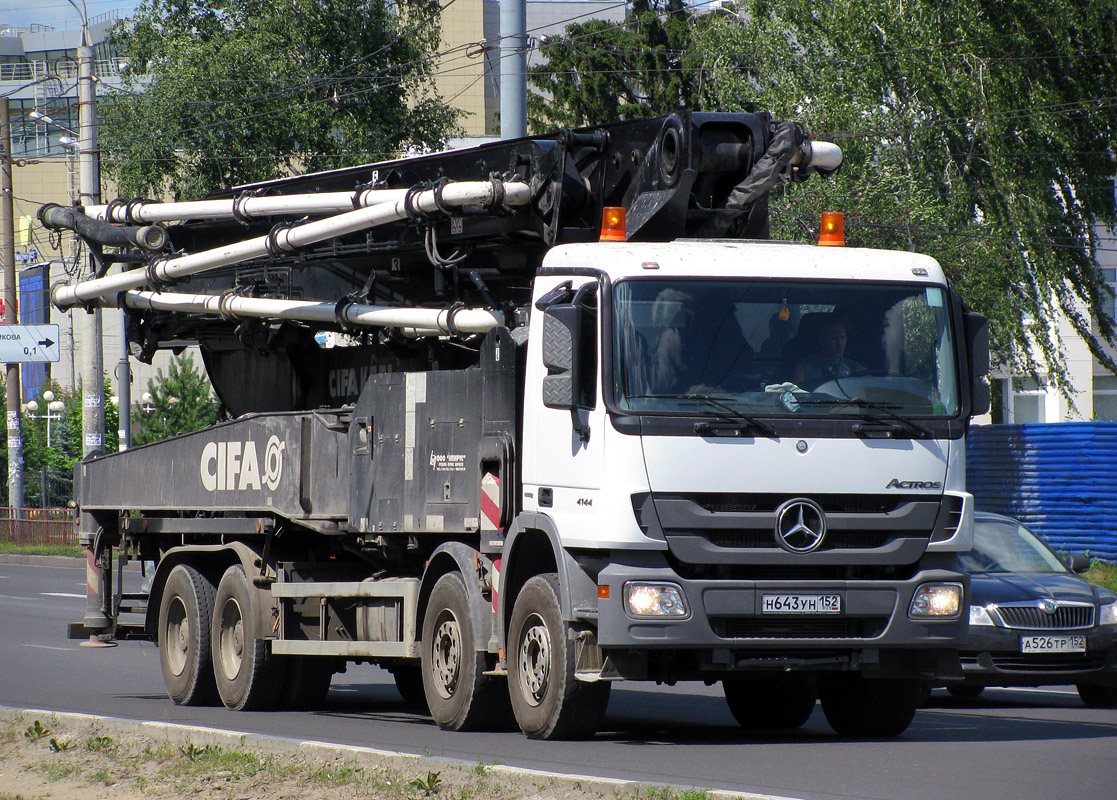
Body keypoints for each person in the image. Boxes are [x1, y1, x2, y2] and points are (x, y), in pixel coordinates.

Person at [789, 313, 864, 388]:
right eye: (834, 338)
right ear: (822, 341)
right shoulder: (804, 368)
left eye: (843, 337)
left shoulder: (856, 368)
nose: (839, 344)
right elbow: (793, 394)